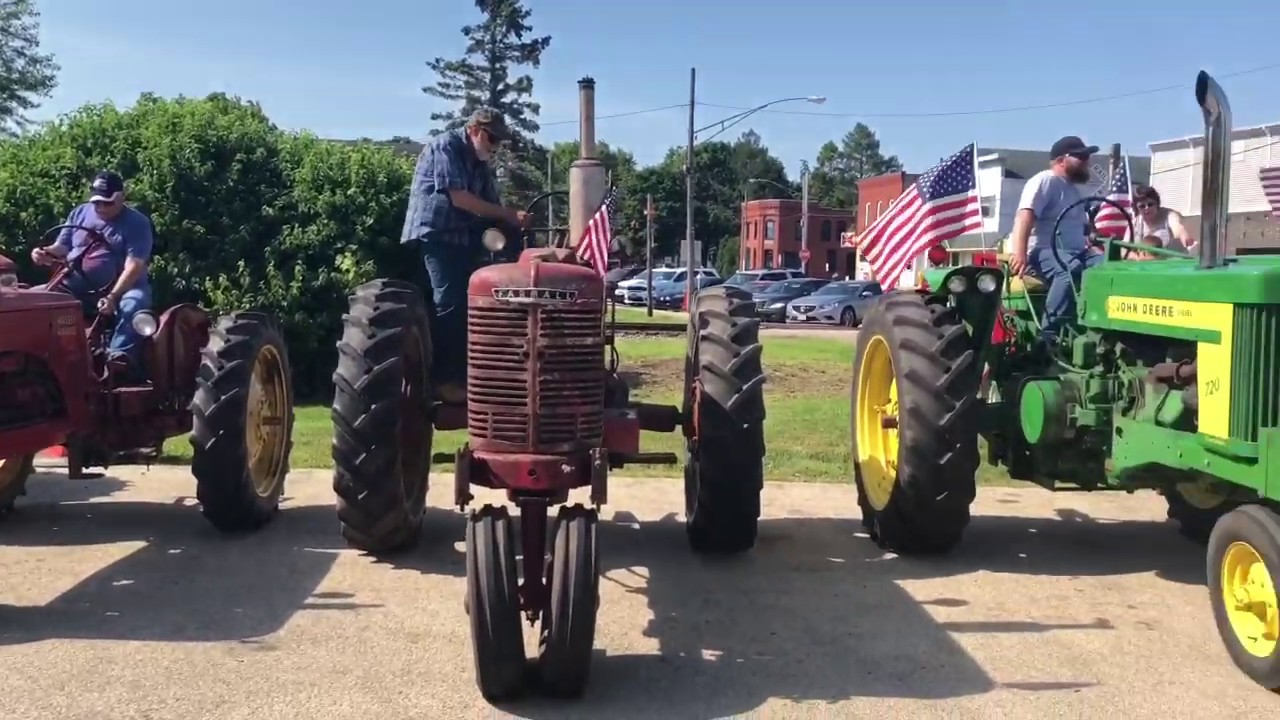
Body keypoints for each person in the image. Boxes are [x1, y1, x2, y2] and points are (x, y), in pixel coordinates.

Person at [400, 107, 532, 403]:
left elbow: (492, 205)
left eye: (499, 141)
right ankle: (447, 380)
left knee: (491, 298)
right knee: (450, 301)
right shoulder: (446, 145)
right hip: (438, 233)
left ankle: (496, 372)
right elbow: (460, 198)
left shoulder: (479, 165)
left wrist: (514, 222)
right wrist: (509, 214)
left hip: (466, 237)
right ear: (474, 129)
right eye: (492, 138)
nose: (495, 146)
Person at [30, 171, 155, 372]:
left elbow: (133, 267)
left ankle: (118, 359)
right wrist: (44, 252)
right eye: (97, 203)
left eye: (108, 203)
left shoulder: (137, 224)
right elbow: (61, 247)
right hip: (75, 286)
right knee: (33, 299)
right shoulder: (80, 213)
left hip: (122, 289)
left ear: (121, 197)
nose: (101, 208)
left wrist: (113, 297)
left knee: (133, 305)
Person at [1007, 136, 1101, 343]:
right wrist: (1019, 253)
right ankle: (1048, 334)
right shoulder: (1045, 180)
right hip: (1042, 251)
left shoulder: (1074, 191)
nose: (1087, 161)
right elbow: (1025, 216)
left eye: (1087, 156)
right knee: (1069, 269)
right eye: (1081, 156)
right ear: (1061, 160)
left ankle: (1100, 327)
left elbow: (1083, 229)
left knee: (1109, 268)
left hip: (1076, 252)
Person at [1128, 185, 1195, 253]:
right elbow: (1125, 247)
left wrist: (1182, 233)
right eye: (1142, 206)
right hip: (1147, 262)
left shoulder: (1169, 214)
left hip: (1173, 260)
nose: (1147, 208)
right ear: (1136, 208)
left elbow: (1176, 225)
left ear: (1157, 204)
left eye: (1150, 204)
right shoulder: (1135, 223)